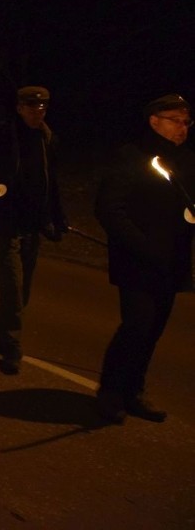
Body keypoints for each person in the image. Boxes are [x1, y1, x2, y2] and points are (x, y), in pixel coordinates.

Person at [94, 94, 195, 424]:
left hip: (172, 262)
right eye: (176, 121)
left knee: (154, 330)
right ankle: (110, 392)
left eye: (186, 122)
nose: (183, 128)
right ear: (155, 121)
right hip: (137, 263)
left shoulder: (185, 161)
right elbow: (110, 208)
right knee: (136, 327)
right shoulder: (132, 157)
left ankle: (133, 390)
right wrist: (143, 245)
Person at [0, 85, 68, 374]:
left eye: (42, 107)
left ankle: (0, 337)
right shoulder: (6, 134)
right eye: (31, 107)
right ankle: (13, 346)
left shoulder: (47, 139)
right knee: (13, 286)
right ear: (19, 108)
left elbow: (50, 181)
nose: (37, 112)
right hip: (6, 224)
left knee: (23, 287)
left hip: (32, 224)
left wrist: (56, 217)